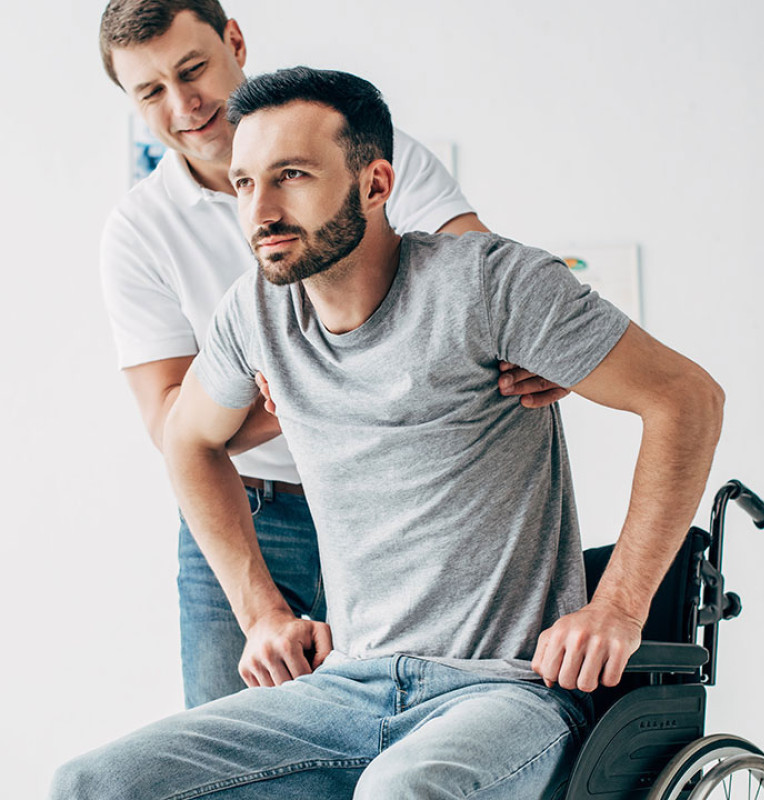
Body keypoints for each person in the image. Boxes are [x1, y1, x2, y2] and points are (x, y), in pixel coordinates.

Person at [51, 66, 724, 799]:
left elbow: (687, 399)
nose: (262, 211)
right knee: (92, 782)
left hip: (501, 692)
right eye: (244, 184)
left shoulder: (489, 284)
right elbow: (187, 438)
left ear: (375, 184)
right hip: (346, 687)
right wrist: (262, 614)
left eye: (293, 176)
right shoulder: (255, 314)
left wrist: (617, 607)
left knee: (401, 791)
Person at [98, 0, 565, 708]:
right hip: (248, 515)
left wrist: (544, 335)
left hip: (394, 497)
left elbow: (483, 278)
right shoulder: (139, 231)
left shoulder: (358, 151)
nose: (184, 104)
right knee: (235, 752)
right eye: (150, 92)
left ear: (235, 41)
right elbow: (175, 427)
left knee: (390, 734)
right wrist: (313, 389)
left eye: (192, 69)